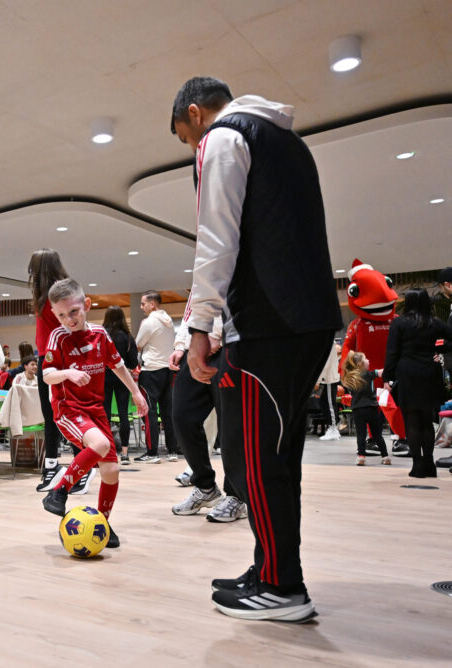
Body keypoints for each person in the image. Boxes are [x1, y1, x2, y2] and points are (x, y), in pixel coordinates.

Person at [170, 76, 342, 621]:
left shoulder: (223, 137)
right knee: (280, 454)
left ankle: (281, 585)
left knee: (257, 460)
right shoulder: (288, 141)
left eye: (185, 138)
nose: (192, 149)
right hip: (308, 319)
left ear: (196, 114)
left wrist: (200, 325)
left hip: (267, 324)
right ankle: (269, 566)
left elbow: (216, 238)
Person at [40, 279, 148, 549]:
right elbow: (47, 375)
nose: (69, 319)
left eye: (74, 312)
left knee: (111, 470)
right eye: (62, 315)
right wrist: (68, 373)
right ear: (55, 314)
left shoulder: (100, 334)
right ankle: (59, 490)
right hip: (68, 410)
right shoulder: (58, 336)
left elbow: (118, 365)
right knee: (99, 445)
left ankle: (103, 522)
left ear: (86, 305)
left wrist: (135, 392)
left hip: (96, 410)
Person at [168, 315, 248, 522]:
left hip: (228, 346)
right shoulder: (197, 283)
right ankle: (205, 488)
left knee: (231, 424)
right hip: (195, 348)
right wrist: (181, 344)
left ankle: (237, 496)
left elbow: (228, 297)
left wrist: (215, 335)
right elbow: (193, 308)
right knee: (181, 415)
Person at [28, 249, 88, 493]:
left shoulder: (59, 293)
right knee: (52, 413)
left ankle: (80, 467)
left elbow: (75, 324)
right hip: (48, 357)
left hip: (60, 358)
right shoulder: (46, 294)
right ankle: (53, 466)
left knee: (64, 413)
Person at [383, 287, 452, 478]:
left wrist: (387, 377)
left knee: (411, 421)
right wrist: (441, 348)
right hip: (430, 372)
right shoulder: (435, 323)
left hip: (407, 373)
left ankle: (417, 465)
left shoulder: (400, 324)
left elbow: (391, 353)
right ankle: (429, 464)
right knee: (427, 422)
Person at [135, 291, 179, 462]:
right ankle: (172, 451)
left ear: (152, 304)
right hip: (168, 371)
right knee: (168, 412)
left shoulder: (149, 322)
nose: (141, 307)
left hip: (151, 371)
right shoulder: (168, 321)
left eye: (143, 303)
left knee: (149, 412)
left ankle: (152, 453)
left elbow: (138, 345)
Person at [101, 306, 138, 465]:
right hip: (122, 376)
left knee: (104, 415)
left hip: (103, 376)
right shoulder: (127, 336)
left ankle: (106, 452)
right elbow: (133, 362)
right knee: (124, 415)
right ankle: (124, 453)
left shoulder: (100, 335)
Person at [341, 351, 390, 466]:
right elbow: (382, 372)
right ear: (361, 364)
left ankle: (361, 456)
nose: (369, 360)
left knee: (361, 434)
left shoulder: (350, 378)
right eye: (366, 359)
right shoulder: (368, 374)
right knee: (377, 434)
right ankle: (385, 456)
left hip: (358, 409)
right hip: (371, 408)